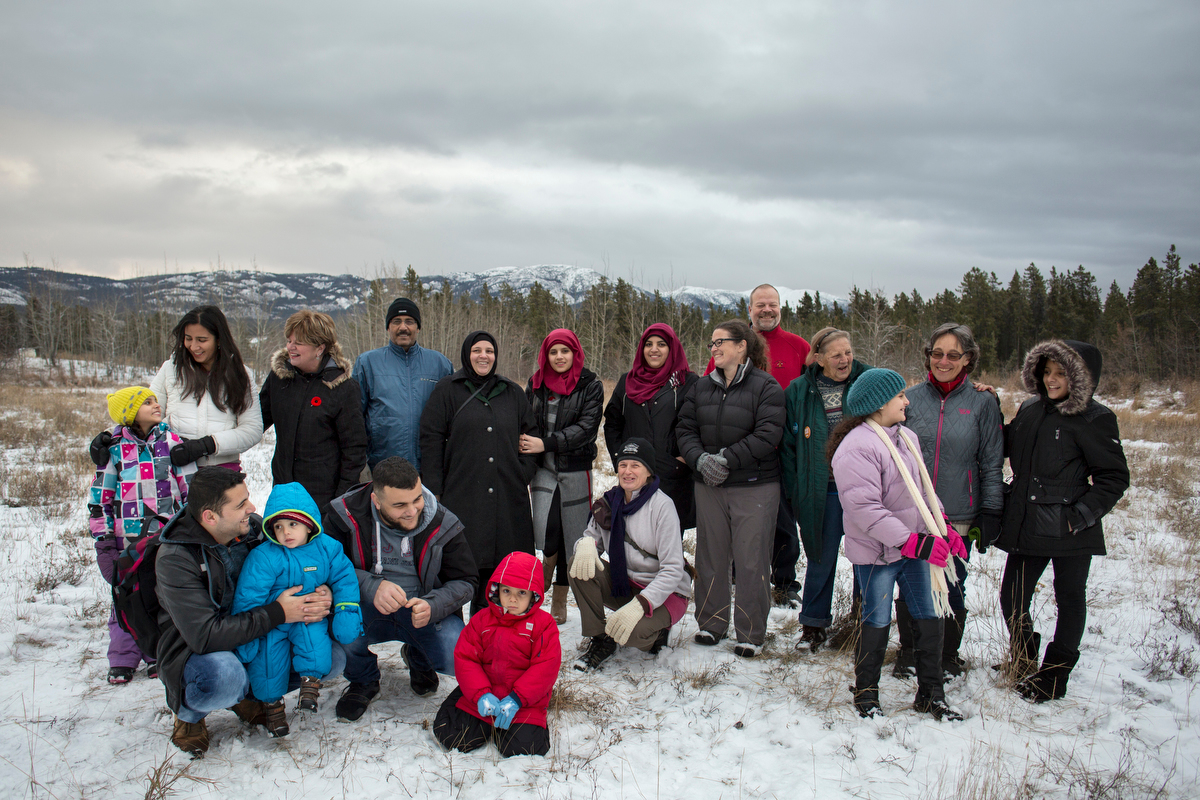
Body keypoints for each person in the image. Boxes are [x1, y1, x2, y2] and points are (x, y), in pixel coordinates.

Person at [156, 468, 336, 755]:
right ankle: (190, 715)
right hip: (197, 650)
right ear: (210, 517)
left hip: (256, 634)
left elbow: (304, 557)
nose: (252, 509)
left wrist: (323, 589)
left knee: (331, 656)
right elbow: (205, 636)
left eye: (248, 499)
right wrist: (279, 612)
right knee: (225, 677)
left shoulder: (254, 530)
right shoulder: (176, 558)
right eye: (241, 504)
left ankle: (249, 697)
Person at [994, 340, 1129, 702]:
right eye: (1046, 372)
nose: (1051, 380)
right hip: (1028, 523)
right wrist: (988, 407)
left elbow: (1114, 477)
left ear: (1081, 377)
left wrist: (1078, 516)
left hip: (1071, 528)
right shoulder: (1031, 408)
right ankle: (1023, 657)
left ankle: (1054, 675)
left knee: (1069, 599)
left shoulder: (1095, 418)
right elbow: (1008, 444)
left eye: (1061, 373)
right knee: (1012, 597)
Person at [829, 368, 967, 720]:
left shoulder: (906, 437)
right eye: (900, 395)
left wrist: (943, 525)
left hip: (915, 548)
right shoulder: (856, 448)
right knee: (876, 620)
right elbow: (865, 510)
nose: (907, 401)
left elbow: (923, 490)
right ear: (879, 404)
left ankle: (931, 694)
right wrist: (913, 543)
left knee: (929, 615)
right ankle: (866, 694)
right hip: (878, 555)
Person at [323, 457, 477, 721]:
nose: (412, 511)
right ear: (376, 501)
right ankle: (363, 679)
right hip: (365, 607)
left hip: (422, 611)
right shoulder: (344, 515)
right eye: (399, 505)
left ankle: (418, 658)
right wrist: (370, 586)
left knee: (456, 654)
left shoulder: (443, 522)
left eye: (417, 499)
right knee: (339, 628)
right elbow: (326, 567)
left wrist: (433, 605)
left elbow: (466, 581)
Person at [895, 323, 1003, 679]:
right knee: (912, 583)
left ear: (967, 359)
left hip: (959, 512)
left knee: (953, 582)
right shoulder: (910, 398)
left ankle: (947, 654)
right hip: (914, 509)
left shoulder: (983, 402)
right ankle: (910, 651)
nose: (943, 361)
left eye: (953, 355)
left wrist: (991, 510)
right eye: (937, 354)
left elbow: (991, 460)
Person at [676, 319, 784, 658]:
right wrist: (699, 460)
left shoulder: (766, 386)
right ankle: (712, 623)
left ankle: (750, 632)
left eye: (720, 341)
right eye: (712, 343)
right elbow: (685, 429)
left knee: (751, 560)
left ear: (742, 346)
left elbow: (768, 434)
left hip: (754, 485)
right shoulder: (701, 387)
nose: (714, 348)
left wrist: (725, 459)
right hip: (709, 484)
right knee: (711, 555)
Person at [704, 285, 811, 607]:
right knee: (740, 521)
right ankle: (739, 574)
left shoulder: (798, 347)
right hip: (737, 453)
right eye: (760, 305)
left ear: (780, 308)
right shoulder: (731, 346)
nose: (767, 310)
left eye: (772, 304)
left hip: (782, 451)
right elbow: (710, 389)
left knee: (783, 522)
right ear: (749, 309)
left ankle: (784, 581)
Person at [231, 482, 363, 736]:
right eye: (278, 527)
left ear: (309, 524)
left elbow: (344, 578)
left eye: (293, 524)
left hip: (308, 615)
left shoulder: (327, 548)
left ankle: (310, 686)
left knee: (314, 642)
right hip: (273, 620)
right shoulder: (265, 556)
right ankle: (273, 708)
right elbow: (249, 595)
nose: (286, 533)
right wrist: (247, 637)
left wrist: (346, 610)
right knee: (268, 661)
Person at [420, 331, 538, 614]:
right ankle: (451, 631)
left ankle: (489, 627)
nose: (483, 356)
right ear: (466, 354)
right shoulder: (448, 389)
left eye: (489, 351)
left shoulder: (512, 392)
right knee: (459, 566)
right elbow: (430, 438)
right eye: (477, 350)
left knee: (500, 571)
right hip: (462, 495)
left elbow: (531, 436)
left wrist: (522, 474)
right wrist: (435, 489)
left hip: (507, 498)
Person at [88, 386, 193, 684]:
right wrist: (104, 540)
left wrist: (189, 528)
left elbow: (189, 488)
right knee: (126, 596)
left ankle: (157, 651)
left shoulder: (172, 442)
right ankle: (122, 656)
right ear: (129, 413)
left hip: (166, 537)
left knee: (162, 594)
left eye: (155, 400)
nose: (156, 404)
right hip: (128, 541)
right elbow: (100, 497)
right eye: (147, 402)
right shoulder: (113, 449)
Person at [780, 328, 871, 652]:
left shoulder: (867, 381)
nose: (845, 360)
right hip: (822, 489)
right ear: (818, 358)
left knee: (868, 558)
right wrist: (795, 490)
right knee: (820, 557)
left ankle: (865, 623)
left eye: (848, 352)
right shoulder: (799, 390)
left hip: (863, 488)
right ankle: (813, 626)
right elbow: (788, 447)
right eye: (836, 355)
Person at [568, 438, 693, 671]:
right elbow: (590, 541)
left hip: (665, 592)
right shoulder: (608, 503)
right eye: (623, 465)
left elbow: (673, 569)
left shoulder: (662, 507)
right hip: (625, 585)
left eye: (635, 465)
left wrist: (642, 604)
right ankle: (600, 638)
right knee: (578, 564)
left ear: (648, 471)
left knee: (633, 637)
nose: (627, 471)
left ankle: (658, 631)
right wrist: (585, 544)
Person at [88, 305, 262, 471]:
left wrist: (207, 445)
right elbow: (145, 414)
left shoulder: (241, 375)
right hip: (173, 474)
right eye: (188, 338)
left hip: (223, 474)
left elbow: (251, 430)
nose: (194, 346)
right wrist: (110, 437)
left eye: (202, 340)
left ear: (219, 339)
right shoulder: (170, 369)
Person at [433, 551, 561, 758]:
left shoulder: (544, 625)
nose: (512, 599)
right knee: (452, 735)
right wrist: (480, 694)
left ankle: (507, 726)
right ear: (496, 589)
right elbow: (466, 658)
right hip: (484, 693)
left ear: (533, 595)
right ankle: (484, 719)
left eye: (522, 593)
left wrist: (517, 699)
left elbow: (545, 667)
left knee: (523, 750)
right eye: (506, 590)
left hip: (522, 701)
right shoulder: (482, 620)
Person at [522, 328, 603, 625]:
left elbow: (586, 428)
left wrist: (546, 443)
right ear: (546, 355)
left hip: (575, 467)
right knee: (548, 528)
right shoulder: (535, 384)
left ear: (575, 353)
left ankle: (560, 596)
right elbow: (525, 421)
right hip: (543, 468)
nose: (559, 357)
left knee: (574, 535)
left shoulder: (590, 385)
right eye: (553, 351)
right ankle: (545, 566)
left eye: (565, 351)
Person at [259, 310, 368, 514]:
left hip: (323, 497)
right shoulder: (279, 378)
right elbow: (258, 421)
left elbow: (354, 450)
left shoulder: (342, 387)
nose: (290, 347)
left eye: (298, 343)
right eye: (289, 341)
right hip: (283, 490)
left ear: (320, 348)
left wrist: (341, 501)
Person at [603, 323, 698, 533]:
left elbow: (696, 425)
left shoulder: (687, 382)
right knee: (633, 536)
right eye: (649, 344)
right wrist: (621, 458)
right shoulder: (627, 381)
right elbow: (612, 423)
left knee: (669, 538)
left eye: (661, 344)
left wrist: (683, 459)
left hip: (673, 474)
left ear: (672, 348)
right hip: (635, 474)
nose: (654, 349)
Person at [353, 298, 452, 472]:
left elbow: (453, 416)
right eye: (396, 321)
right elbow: (354, 418)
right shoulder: (367, 363)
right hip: (383, 466)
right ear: (388, 327)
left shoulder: (440, 364)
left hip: (430, 466)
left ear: (418, 327)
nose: (403, 327)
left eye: (409, 321)